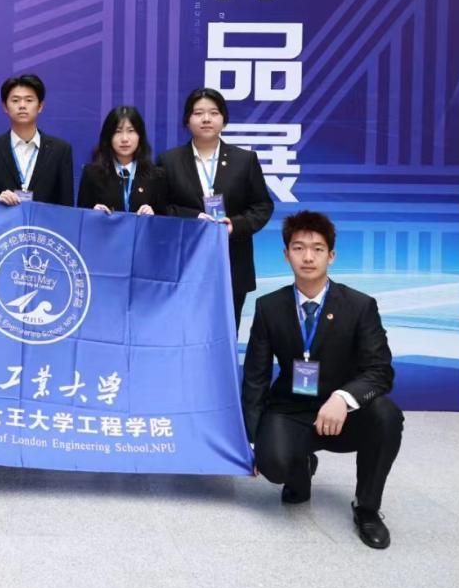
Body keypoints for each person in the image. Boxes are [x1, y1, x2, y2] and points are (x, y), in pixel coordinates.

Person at [243, 211, 403, 550]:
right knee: (272, 462)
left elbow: (380, 371)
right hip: (291, 408)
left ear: (331, 255)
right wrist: (252, 439)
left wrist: (344, 398)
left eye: (317, 249)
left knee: (387, 416)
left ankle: (367, 508)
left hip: (344, 415)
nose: (308, 257)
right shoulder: (269, 307)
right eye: (298, 248)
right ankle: (300, 468)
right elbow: (256, 377)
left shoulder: (359, 306)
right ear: (286, 254)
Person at [158, 88, 274, 330]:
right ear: (187, 120)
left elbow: (262, 206)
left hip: (231, 261)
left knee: (226, 331)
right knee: (185, 332)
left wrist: (235, 226)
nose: (206, 119)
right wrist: (193, 217)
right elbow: (161, 208)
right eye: (198, 113)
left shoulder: (244, 160)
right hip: (184, 263)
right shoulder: (169, 161)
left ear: (223, 119)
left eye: (213, 112)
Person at [0, 74, 74, 207]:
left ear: (40, 106)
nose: (22, 106)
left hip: (44, 220)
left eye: (29, 100)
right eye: (15, 100)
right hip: (3, 220)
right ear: (5, 107)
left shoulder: (60, 150)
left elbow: (66, 204)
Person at [76, 105, 167, 215]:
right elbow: (80, 217)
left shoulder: (156, 175)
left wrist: (153, 216)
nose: (124, 139)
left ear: (140, 136)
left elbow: (164, 219)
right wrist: (92, 213)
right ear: (108, 136)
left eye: (131, 131)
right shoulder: (92, 174)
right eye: (118, 131)